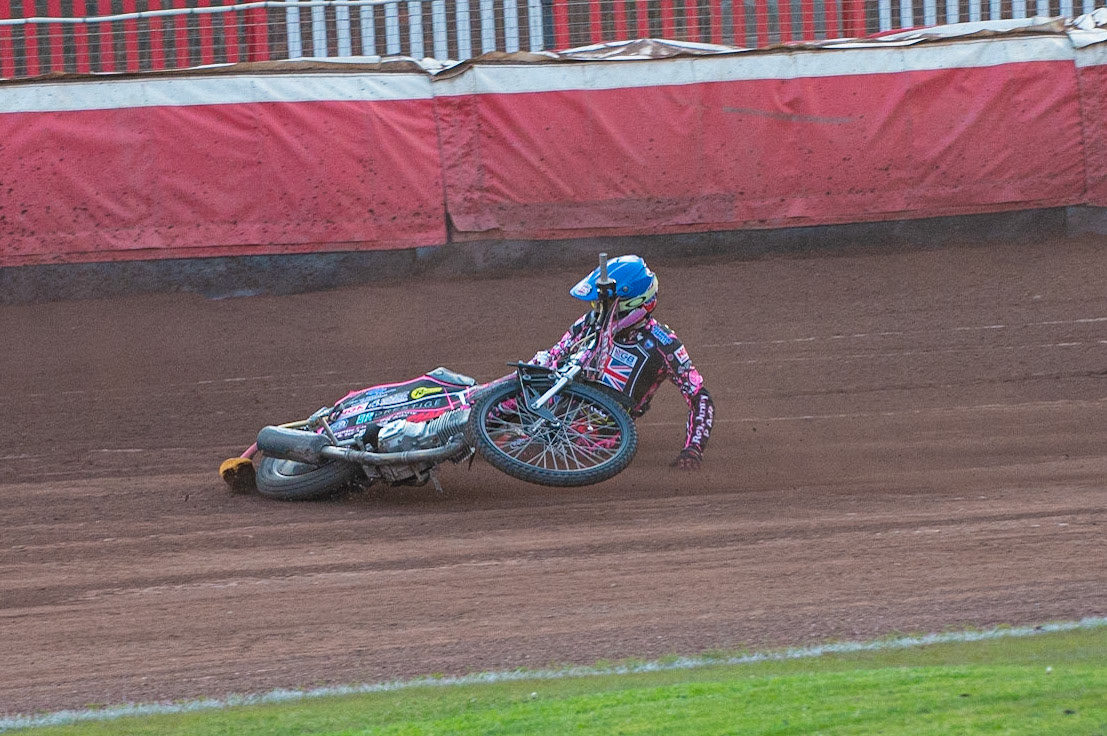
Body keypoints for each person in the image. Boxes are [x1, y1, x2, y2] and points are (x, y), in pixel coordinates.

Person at [530, 255, 714, 471]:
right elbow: (554, 354)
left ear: (637, 304)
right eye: (600, 305)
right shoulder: (590, 322)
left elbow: (699, 396)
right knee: (500, 411)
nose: (603, 312)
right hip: (556, 402)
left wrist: (693, 449)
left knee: (527, 448)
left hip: (602, 432)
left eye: (613, 308)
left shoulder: (664, 344)